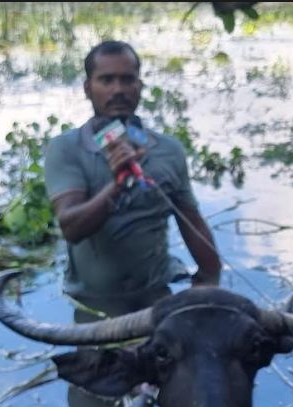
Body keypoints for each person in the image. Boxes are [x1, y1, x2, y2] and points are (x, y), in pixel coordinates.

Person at [44, 40, 221, 323]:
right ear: (88, 88)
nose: (118, 90)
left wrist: (209, 280)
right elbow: (72, 227)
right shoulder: (66, 149)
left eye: (127, 80)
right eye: (106, 80)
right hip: (95, 304)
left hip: (156, 297)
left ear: (139, 86)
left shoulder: (168, 150)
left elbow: (192, 221)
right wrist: (116, 185)